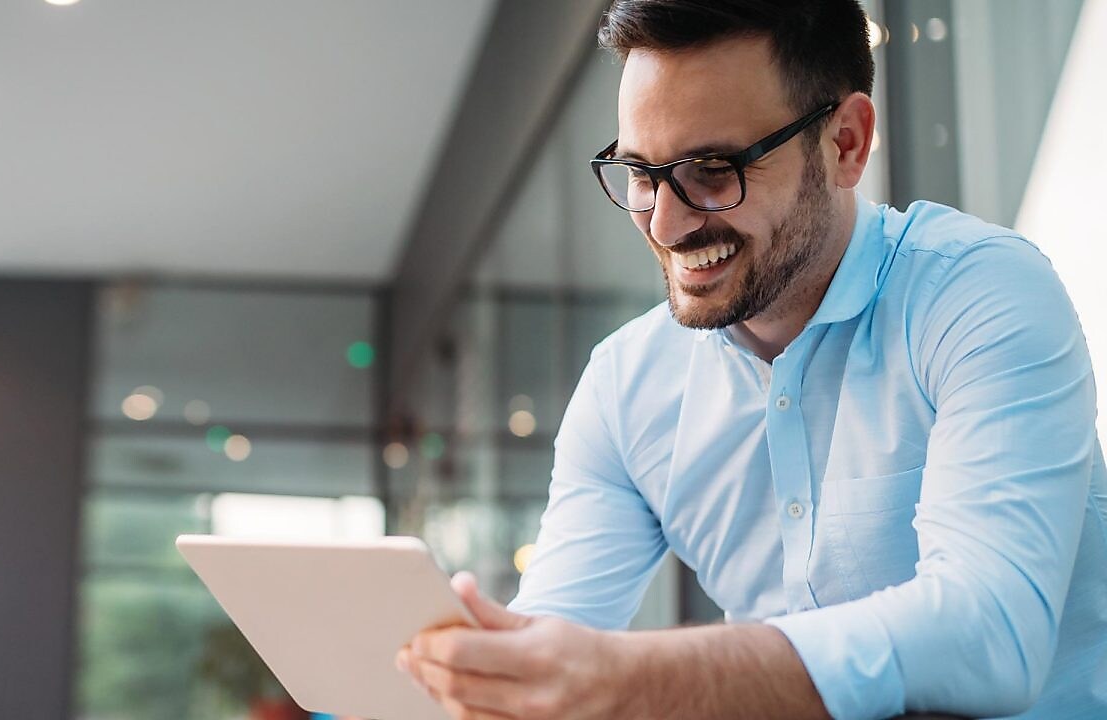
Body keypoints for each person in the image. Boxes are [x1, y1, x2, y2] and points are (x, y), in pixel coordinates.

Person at [395, 0, 1107, 718]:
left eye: (713, 169)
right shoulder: (626, 387)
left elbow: (989, 635)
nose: (667, 225)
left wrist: (633, 677)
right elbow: (554, 642)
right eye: (642, 174)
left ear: (846, 144)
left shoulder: (976, 293)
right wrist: (488, 675)